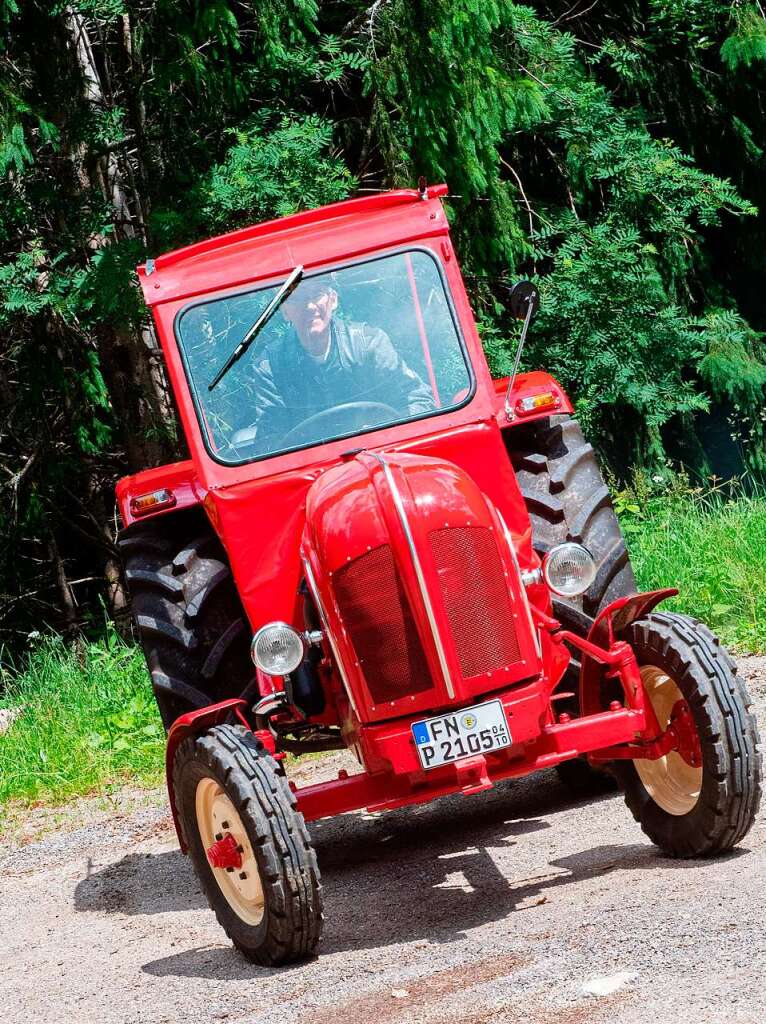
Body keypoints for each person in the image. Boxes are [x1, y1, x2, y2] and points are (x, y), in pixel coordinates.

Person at [242, 276, 436, 451]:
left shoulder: (369, 344)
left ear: (332, 300)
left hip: (382, 453)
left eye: (316, 295)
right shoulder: (272, 366)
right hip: (314, 471)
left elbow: (416, 398)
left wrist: (388, 437)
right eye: (298, 298)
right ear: (285, 310)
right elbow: (271, 440)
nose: (309, 306)